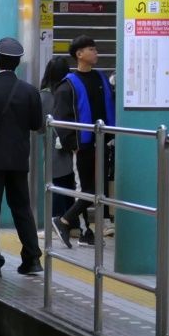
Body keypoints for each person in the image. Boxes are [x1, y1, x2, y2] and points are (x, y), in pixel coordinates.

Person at [0, 38, 44, 277]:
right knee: (22, 208)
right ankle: (32, 259)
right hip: (19, 160)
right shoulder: (29, 91)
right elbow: (36, 124)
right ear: (18, 62)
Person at [51, 35, 115, 248]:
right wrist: (73, 144)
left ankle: (76, 226)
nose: (96, 52)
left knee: (97, 189)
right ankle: (71, 225)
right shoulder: (68, 85)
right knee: (85, 189)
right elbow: (61, 118)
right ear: (79, 54)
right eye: (91, 49)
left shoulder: (101, 78)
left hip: (102, 143)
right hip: (82, 145)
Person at [38, 54, 76, 226]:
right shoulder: (70, 91)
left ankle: (57, 221)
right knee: (69, 183)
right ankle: (71, 222)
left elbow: (39, 127)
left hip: (53, 147)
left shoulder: (43, 96)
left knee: (56, 185)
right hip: (72, 144)